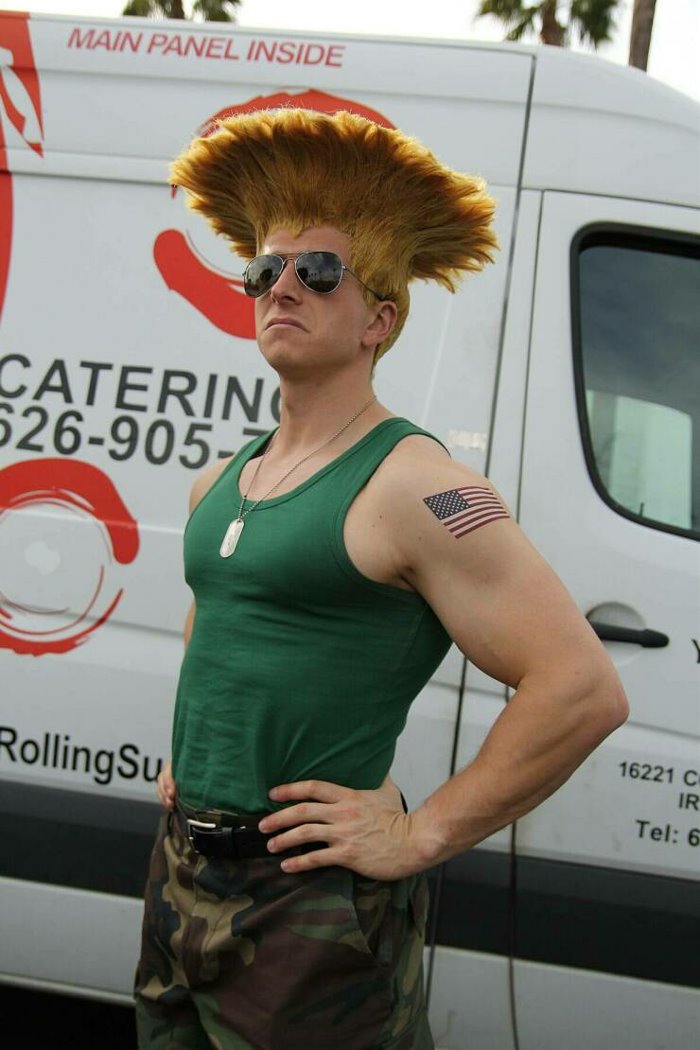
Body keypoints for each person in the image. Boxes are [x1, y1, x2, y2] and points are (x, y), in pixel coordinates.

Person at [133, 109, 629, 1050]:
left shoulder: (418, 486)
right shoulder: (222, 479)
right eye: (265, 270)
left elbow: (581, 688)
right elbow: (220, 619)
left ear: (380, 319)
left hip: (308, 908)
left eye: (319, 271)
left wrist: (418, 833)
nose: (283, 286)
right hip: (182, 872)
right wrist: (195, 760)